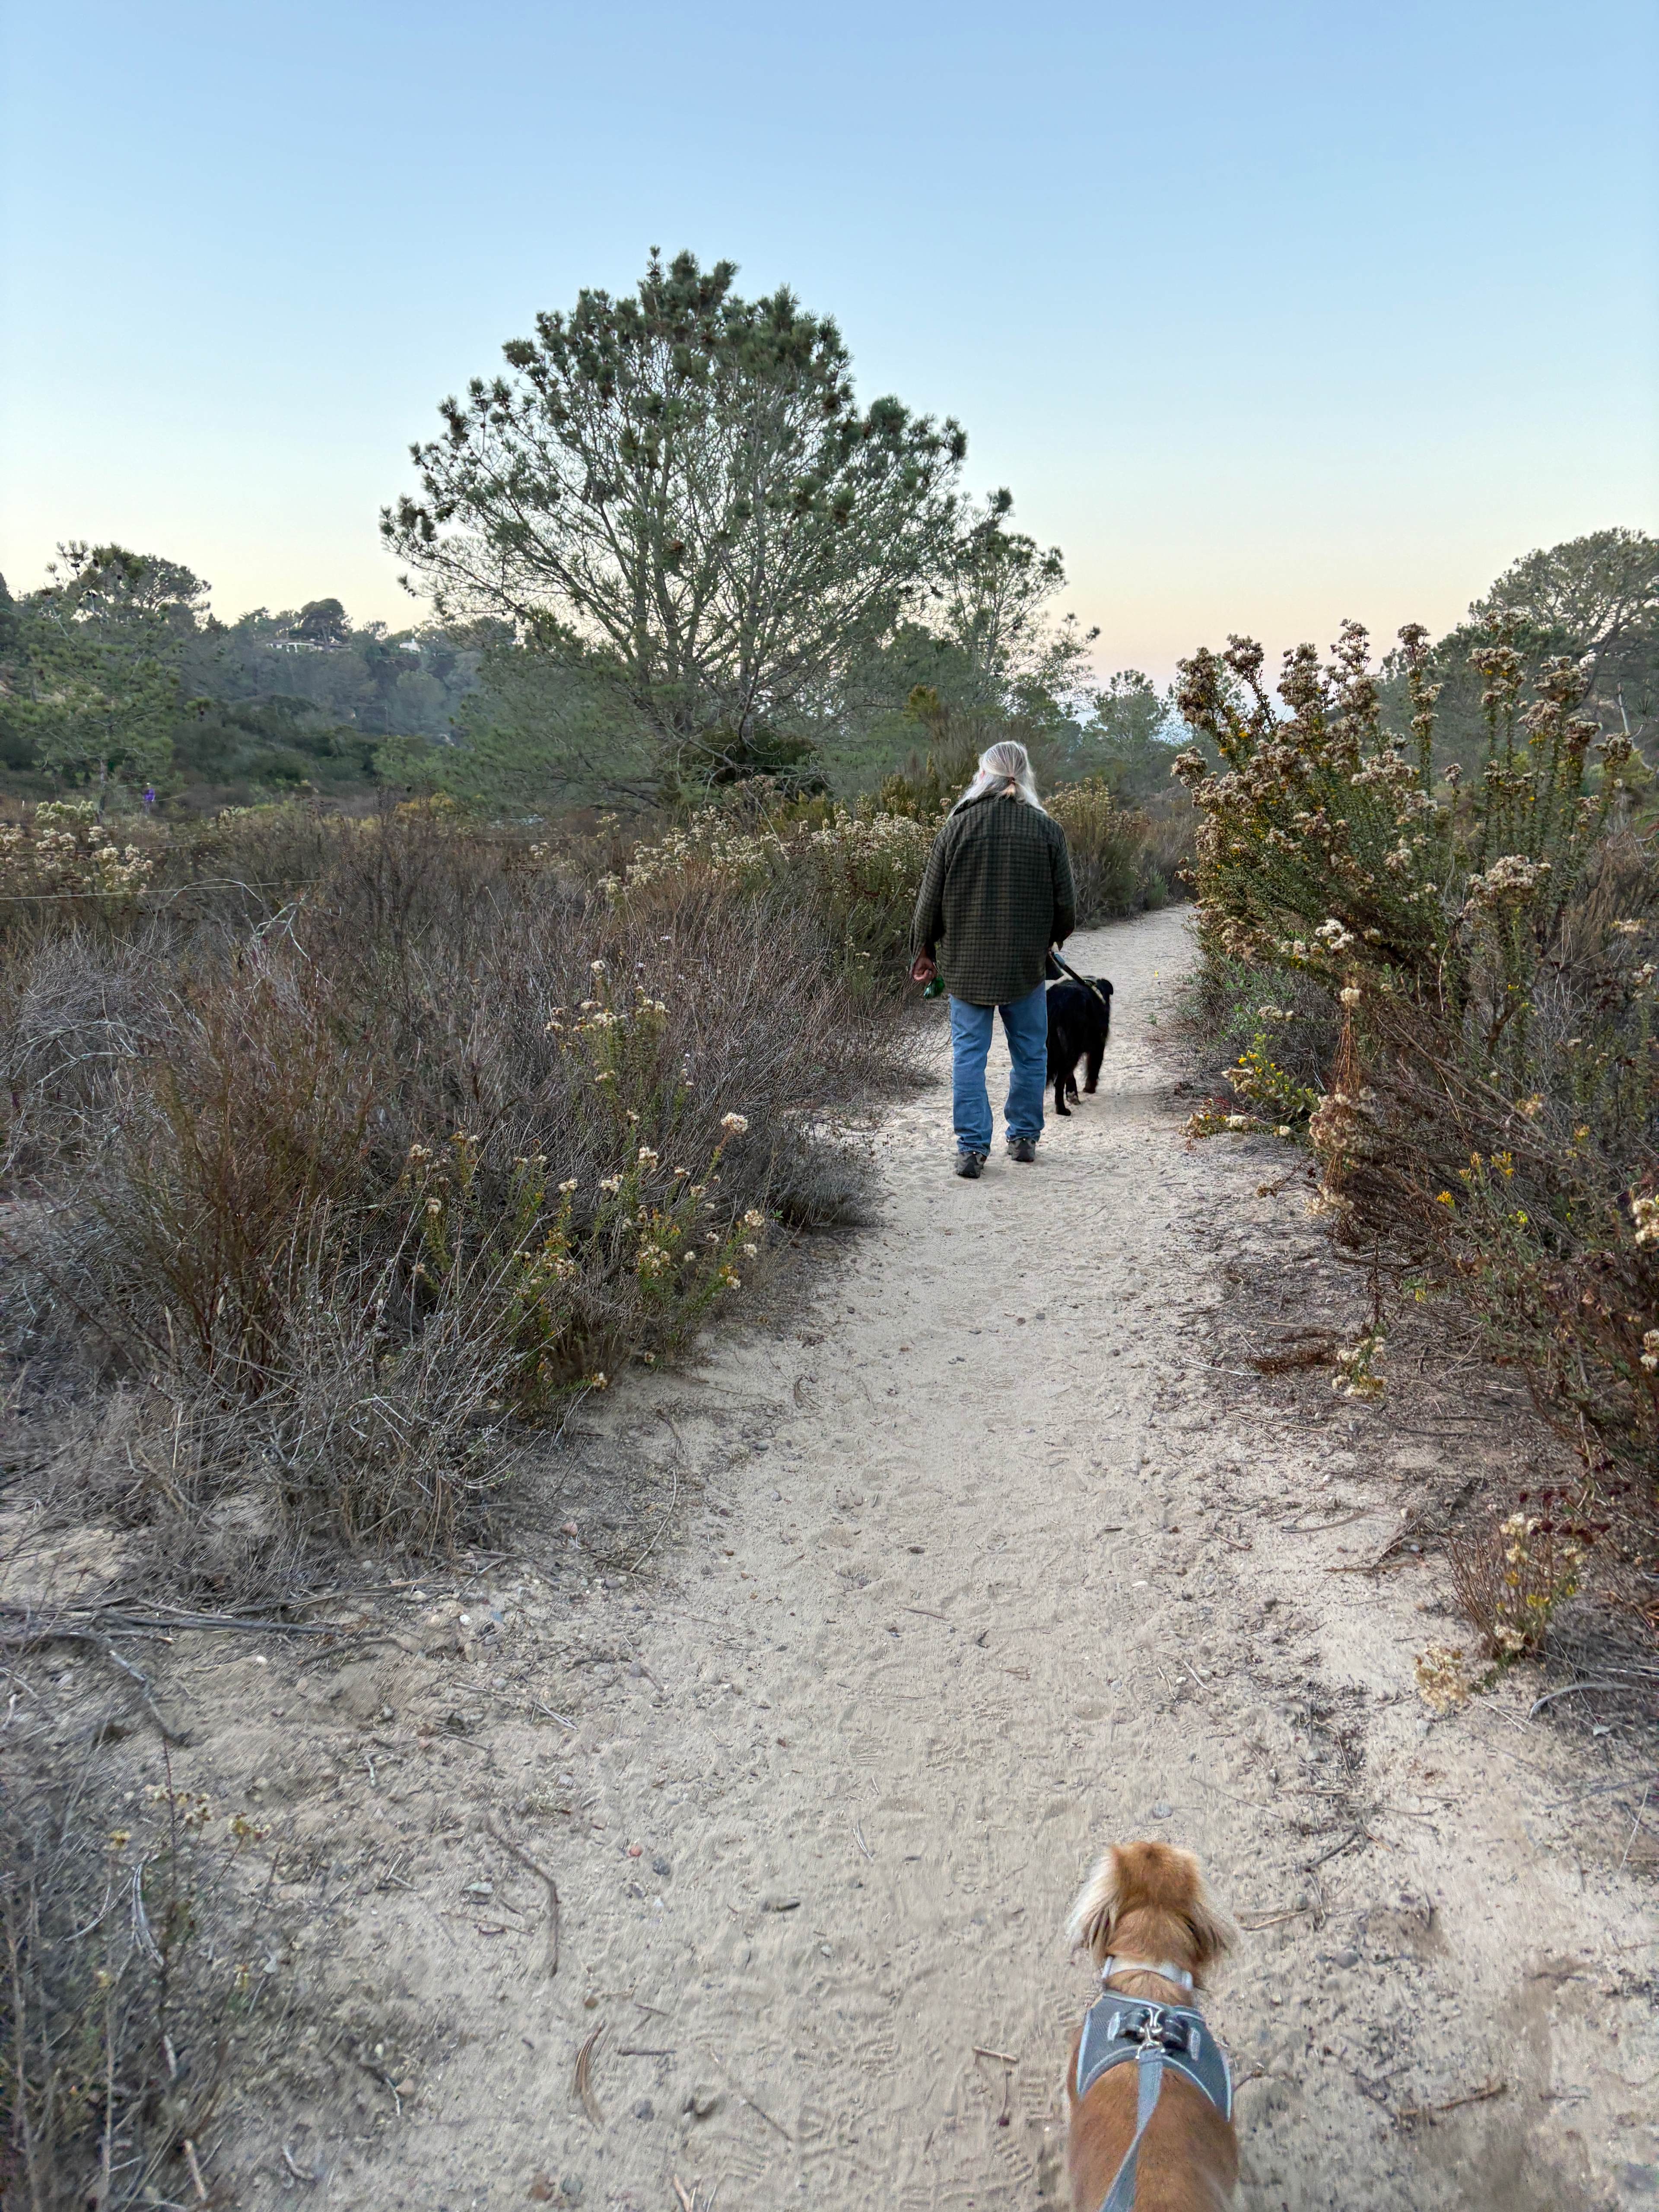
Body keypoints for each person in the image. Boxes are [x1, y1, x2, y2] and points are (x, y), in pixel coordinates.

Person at [910, 740, 1076, 1179]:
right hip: (1024, 965)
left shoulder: (957, 827)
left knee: (969, 1056)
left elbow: (928, 902)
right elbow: (1068, 909)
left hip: (967, 965)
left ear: (983, 775)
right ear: (1024, 776)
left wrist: (925, 950)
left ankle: (971, 1148)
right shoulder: (1046, 829)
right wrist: (1049, 941)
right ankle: (1023, 1138)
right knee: (1030, 1052)